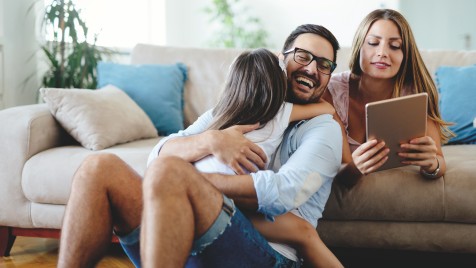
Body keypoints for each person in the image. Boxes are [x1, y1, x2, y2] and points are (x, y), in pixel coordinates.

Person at [57, 24, 343, 268]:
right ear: (282, 59)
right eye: (303, 56)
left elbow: (286, 192)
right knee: (98, 167)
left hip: (266, 253)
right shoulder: (239, 108)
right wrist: (212, 139)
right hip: (193, 231)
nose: (311, 68)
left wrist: (188, 183)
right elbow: (160, 153)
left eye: (324, 64)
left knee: (170, 172)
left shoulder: (323, 128)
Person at [323, 9, 453, 187]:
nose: (382, 52)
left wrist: (432, 165)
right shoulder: (331, 91)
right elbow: (335, 178)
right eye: (373, 42)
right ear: (359, 46)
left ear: (405, 55)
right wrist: (355, 168)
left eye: (394, 46)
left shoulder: (415, 96)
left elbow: (439, 161)